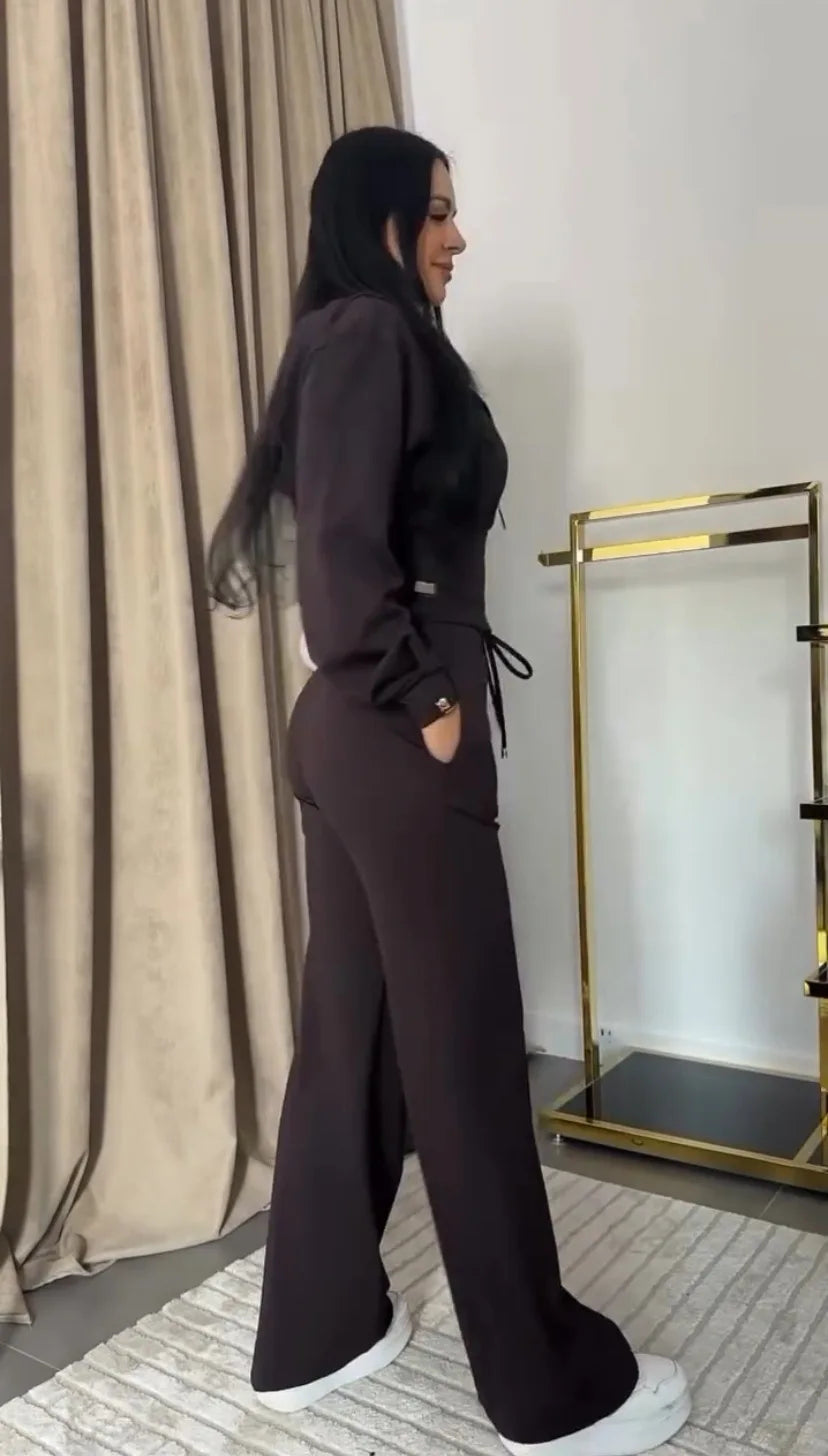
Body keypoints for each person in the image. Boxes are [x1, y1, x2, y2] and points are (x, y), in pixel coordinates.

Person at [207, 126, 691, 1456]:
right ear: (378, 222)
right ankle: (549, 1391)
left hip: (346, 735)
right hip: (391, 729)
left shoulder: (345, 337)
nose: (457, 236)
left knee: (355, 1039)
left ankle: (313, 1334)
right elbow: (341, 567)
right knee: (466, 1050)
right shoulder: (371, 335)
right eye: (435, 212)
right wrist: (430, 704)